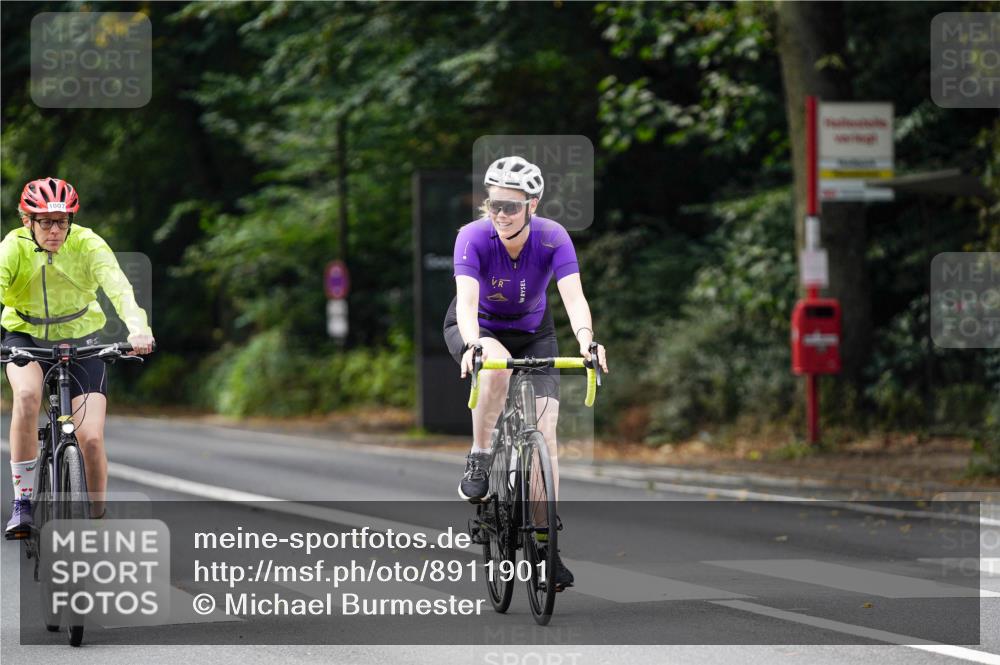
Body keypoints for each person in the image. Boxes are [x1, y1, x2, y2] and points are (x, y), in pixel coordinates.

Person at [443, 156, 609, 591]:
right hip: (479, 327)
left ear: (532, 205)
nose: (500, 214)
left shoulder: (553, 238)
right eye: (494, 204)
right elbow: (465, 302)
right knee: (496, 373)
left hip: (536, 333)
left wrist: (588, 340)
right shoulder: (472, 237)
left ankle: (544, 546)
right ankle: (480, 456)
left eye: (511, 207)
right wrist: (474, 344)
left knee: (546, 430)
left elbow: (573, 297)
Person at [2, 177, 155, 538]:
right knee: (26, 397)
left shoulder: (88, 244)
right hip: (26, 335)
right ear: (28, 220)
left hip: (82, 338)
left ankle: (97, 519)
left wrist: (137, 328)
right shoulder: (13, 247)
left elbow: (118, 287)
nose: (55, 231)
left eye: (62, 222)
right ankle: (22, 502)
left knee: (91, 439)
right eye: (45, 222)